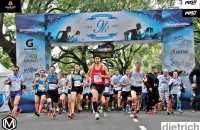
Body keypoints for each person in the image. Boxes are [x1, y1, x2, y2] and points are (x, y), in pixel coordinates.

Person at [86, 53, 110, 120]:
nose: (97, 60)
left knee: (100, 101)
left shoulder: (103, 67)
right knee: (94, 98)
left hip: (101, 85)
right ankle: (96, 113)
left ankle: (97, 107)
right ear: (94, 59)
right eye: (96, 58)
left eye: (98, 58)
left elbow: (109, 76)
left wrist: (102, 76)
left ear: (100, 59)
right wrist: (86, 81)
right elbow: (87, 74)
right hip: (94, 84)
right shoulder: (91, 67)